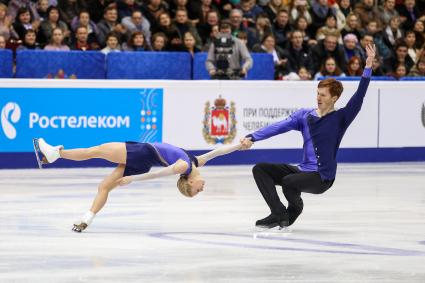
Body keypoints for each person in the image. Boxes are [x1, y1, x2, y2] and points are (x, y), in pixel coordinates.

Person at [240, 44, 376, 229]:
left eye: (323, 95)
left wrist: (367, 68)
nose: (318, 98)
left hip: (322, 177)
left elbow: (359, 97)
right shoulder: (305, 115)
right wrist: (253, 137)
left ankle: (294, 209)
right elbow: (279, 126)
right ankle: (278, 212)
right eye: (317, 93)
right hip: (302, 170)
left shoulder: (340, 118)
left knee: (289, 182)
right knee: (260, 169)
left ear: (334, 98)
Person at [33, 138, 243, 232]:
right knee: (104, 186)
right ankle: (86, 219)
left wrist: (133, 179)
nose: (202, 189)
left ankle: (55, 153)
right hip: (143, 161)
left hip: (140, 153)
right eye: (199, 190)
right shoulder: (195, 162)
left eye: (196, 191)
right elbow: (218, 152)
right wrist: (240, 146)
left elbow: (161, 174)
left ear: (189, 181)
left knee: (94, 151)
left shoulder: (183, 167)